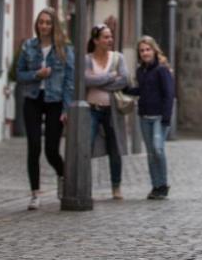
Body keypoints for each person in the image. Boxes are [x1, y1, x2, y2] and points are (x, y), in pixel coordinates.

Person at [15, 8, 74, 210]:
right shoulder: (28, 47)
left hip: (54, 101)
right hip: (33, 98)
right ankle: (35, 193)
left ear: (54, 25)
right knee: (33, 146)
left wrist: (67, 108)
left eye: (48, 22)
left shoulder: (64, 49)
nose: (44, 26)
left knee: (51, 150)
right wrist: (36, 75)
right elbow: (19, 74)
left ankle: (64, 175)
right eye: (41, 22)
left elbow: (69, 81)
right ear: (37, 24)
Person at [64, 24, 129, 198]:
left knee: (115, 147)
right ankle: (86, 185)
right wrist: (109, 77)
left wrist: (97, 80)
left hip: (112, 110)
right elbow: (85, 80)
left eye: (110, 37)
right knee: (87, 146)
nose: (110, 40)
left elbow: (123, 80)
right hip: (92, 110)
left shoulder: (118, 58)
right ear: (96, 40)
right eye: (106, 37)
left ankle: (116, 187)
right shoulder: (87, 59)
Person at [128, 36, 175, 200]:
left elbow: (169, 95)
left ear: (154, 50)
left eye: (148, 49)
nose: (145, 53)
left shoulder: (162, 70)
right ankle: (155, 186)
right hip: (144, 117)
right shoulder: (141, 71)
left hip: (159, 117)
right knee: (150, 153)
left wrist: (166, 118)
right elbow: (141, 91)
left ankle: (163, 184)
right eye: (142, 50)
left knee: (158, 149)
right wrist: (126, 89)